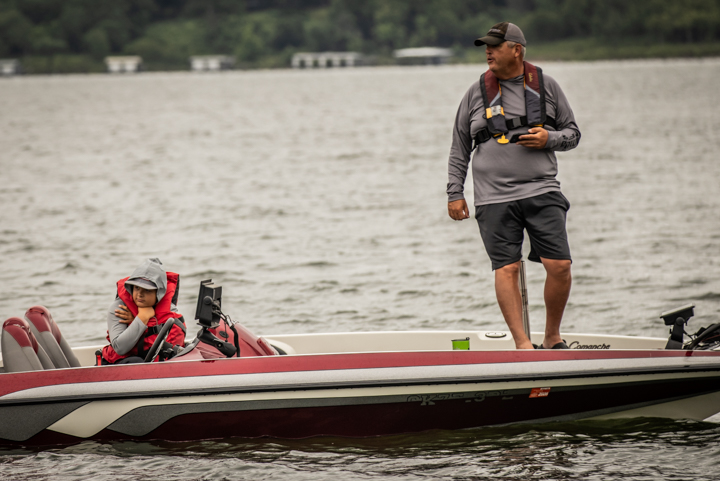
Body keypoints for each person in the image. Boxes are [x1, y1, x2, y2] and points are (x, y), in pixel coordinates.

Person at [446, 22, 581, 350]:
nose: (488, 52)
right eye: (486, 46)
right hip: (493, 198)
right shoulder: (475, 93)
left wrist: (549, 138)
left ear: (516, 50)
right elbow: (459, 146)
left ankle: (552, 337)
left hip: (542, 190)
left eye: (495, 46)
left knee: (559, 265)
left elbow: (573, 134)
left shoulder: (547, 87)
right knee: (506, 269)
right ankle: (522, 344)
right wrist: (454, 192)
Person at [100, 258, 186, 364]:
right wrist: (142, 318)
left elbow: (176, 340)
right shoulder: (119, 308)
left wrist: (136, 321)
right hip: (117, 365)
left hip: (151, 364)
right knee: (136, 361)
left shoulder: (170, 310)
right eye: (137, 288)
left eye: (147, 290)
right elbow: (120, 347)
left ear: (159, 293)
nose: (140, 294)